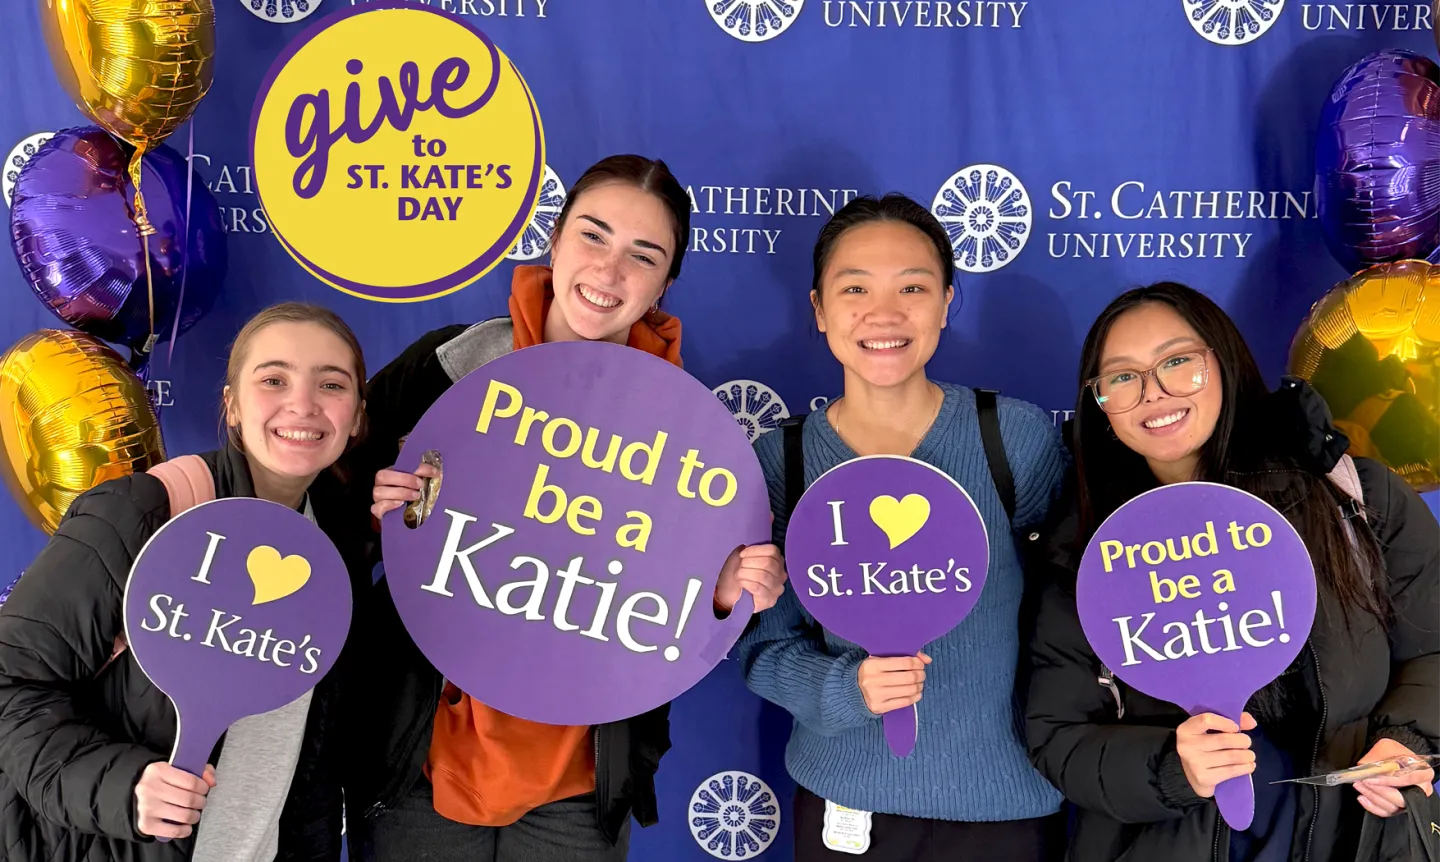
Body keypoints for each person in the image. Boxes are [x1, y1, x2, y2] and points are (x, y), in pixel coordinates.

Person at [340, 154, 788, 862]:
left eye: (644, 255)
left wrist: (727, 596)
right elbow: (333, 520)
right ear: (555, 239)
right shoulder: (446, 367)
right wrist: (377, 514)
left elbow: (686, 616)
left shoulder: (687, 432)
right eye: (593, 235)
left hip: (580, 778)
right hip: (417, 759)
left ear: (666, 284)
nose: (609, 270)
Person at [1024, 282, 1438, 862]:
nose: (1154, 393)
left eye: (1177, 362)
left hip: (1344, 832)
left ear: (1224, 363)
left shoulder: (1354, 500)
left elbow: (1432, 650)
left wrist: (1406, 740)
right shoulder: (1085, 548)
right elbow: (1059, 734)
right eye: (1122, 377)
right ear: (1100, 404)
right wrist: (1171, 769)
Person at [734, 193, 1071, 861]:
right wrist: (846, 688)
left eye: (912, 287)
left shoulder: (1014, 439)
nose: (883, 313)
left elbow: (1071, 616)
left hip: (1004, 805)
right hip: (846, 805)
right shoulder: (783, 462)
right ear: (819, 309)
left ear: (946, 302)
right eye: (854, 288)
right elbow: (762, 648)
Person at [0, 302, 373, 861]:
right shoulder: (143, 513)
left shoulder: (336, 550)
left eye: (332, 384)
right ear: (232, 405)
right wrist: (125, 788)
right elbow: (11, 683)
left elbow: (307, 762)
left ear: (357, 416)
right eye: (273, 379)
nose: (302, 404)